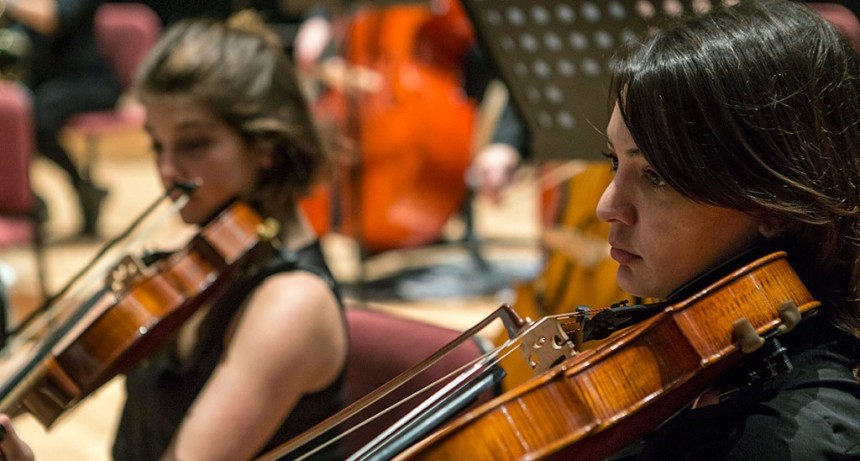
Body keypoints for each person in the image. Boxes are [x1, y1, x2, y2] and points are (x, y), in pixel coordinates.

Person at [0, 10, 348, 461]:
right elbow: (34, 375)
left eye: (193, 144)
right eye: (156, 145)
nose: (167, 171)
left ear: (267, 145)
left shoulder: (292, 305)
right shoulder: (197, 265)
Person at [597, 0, 860, 458]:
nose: (607, 207)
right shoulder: (699, 368)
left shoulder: (775, 442)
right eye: (613, 161)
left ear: (774, 206)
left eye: (656, 175)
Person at [3, 0, 122, 237]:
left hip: (90, 82)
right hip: (53, 84)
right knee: (14, 118)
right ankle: (28, 196)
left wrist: (9, 6)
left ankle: (73, 188)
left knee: (37, 119)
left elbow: (53, 19)